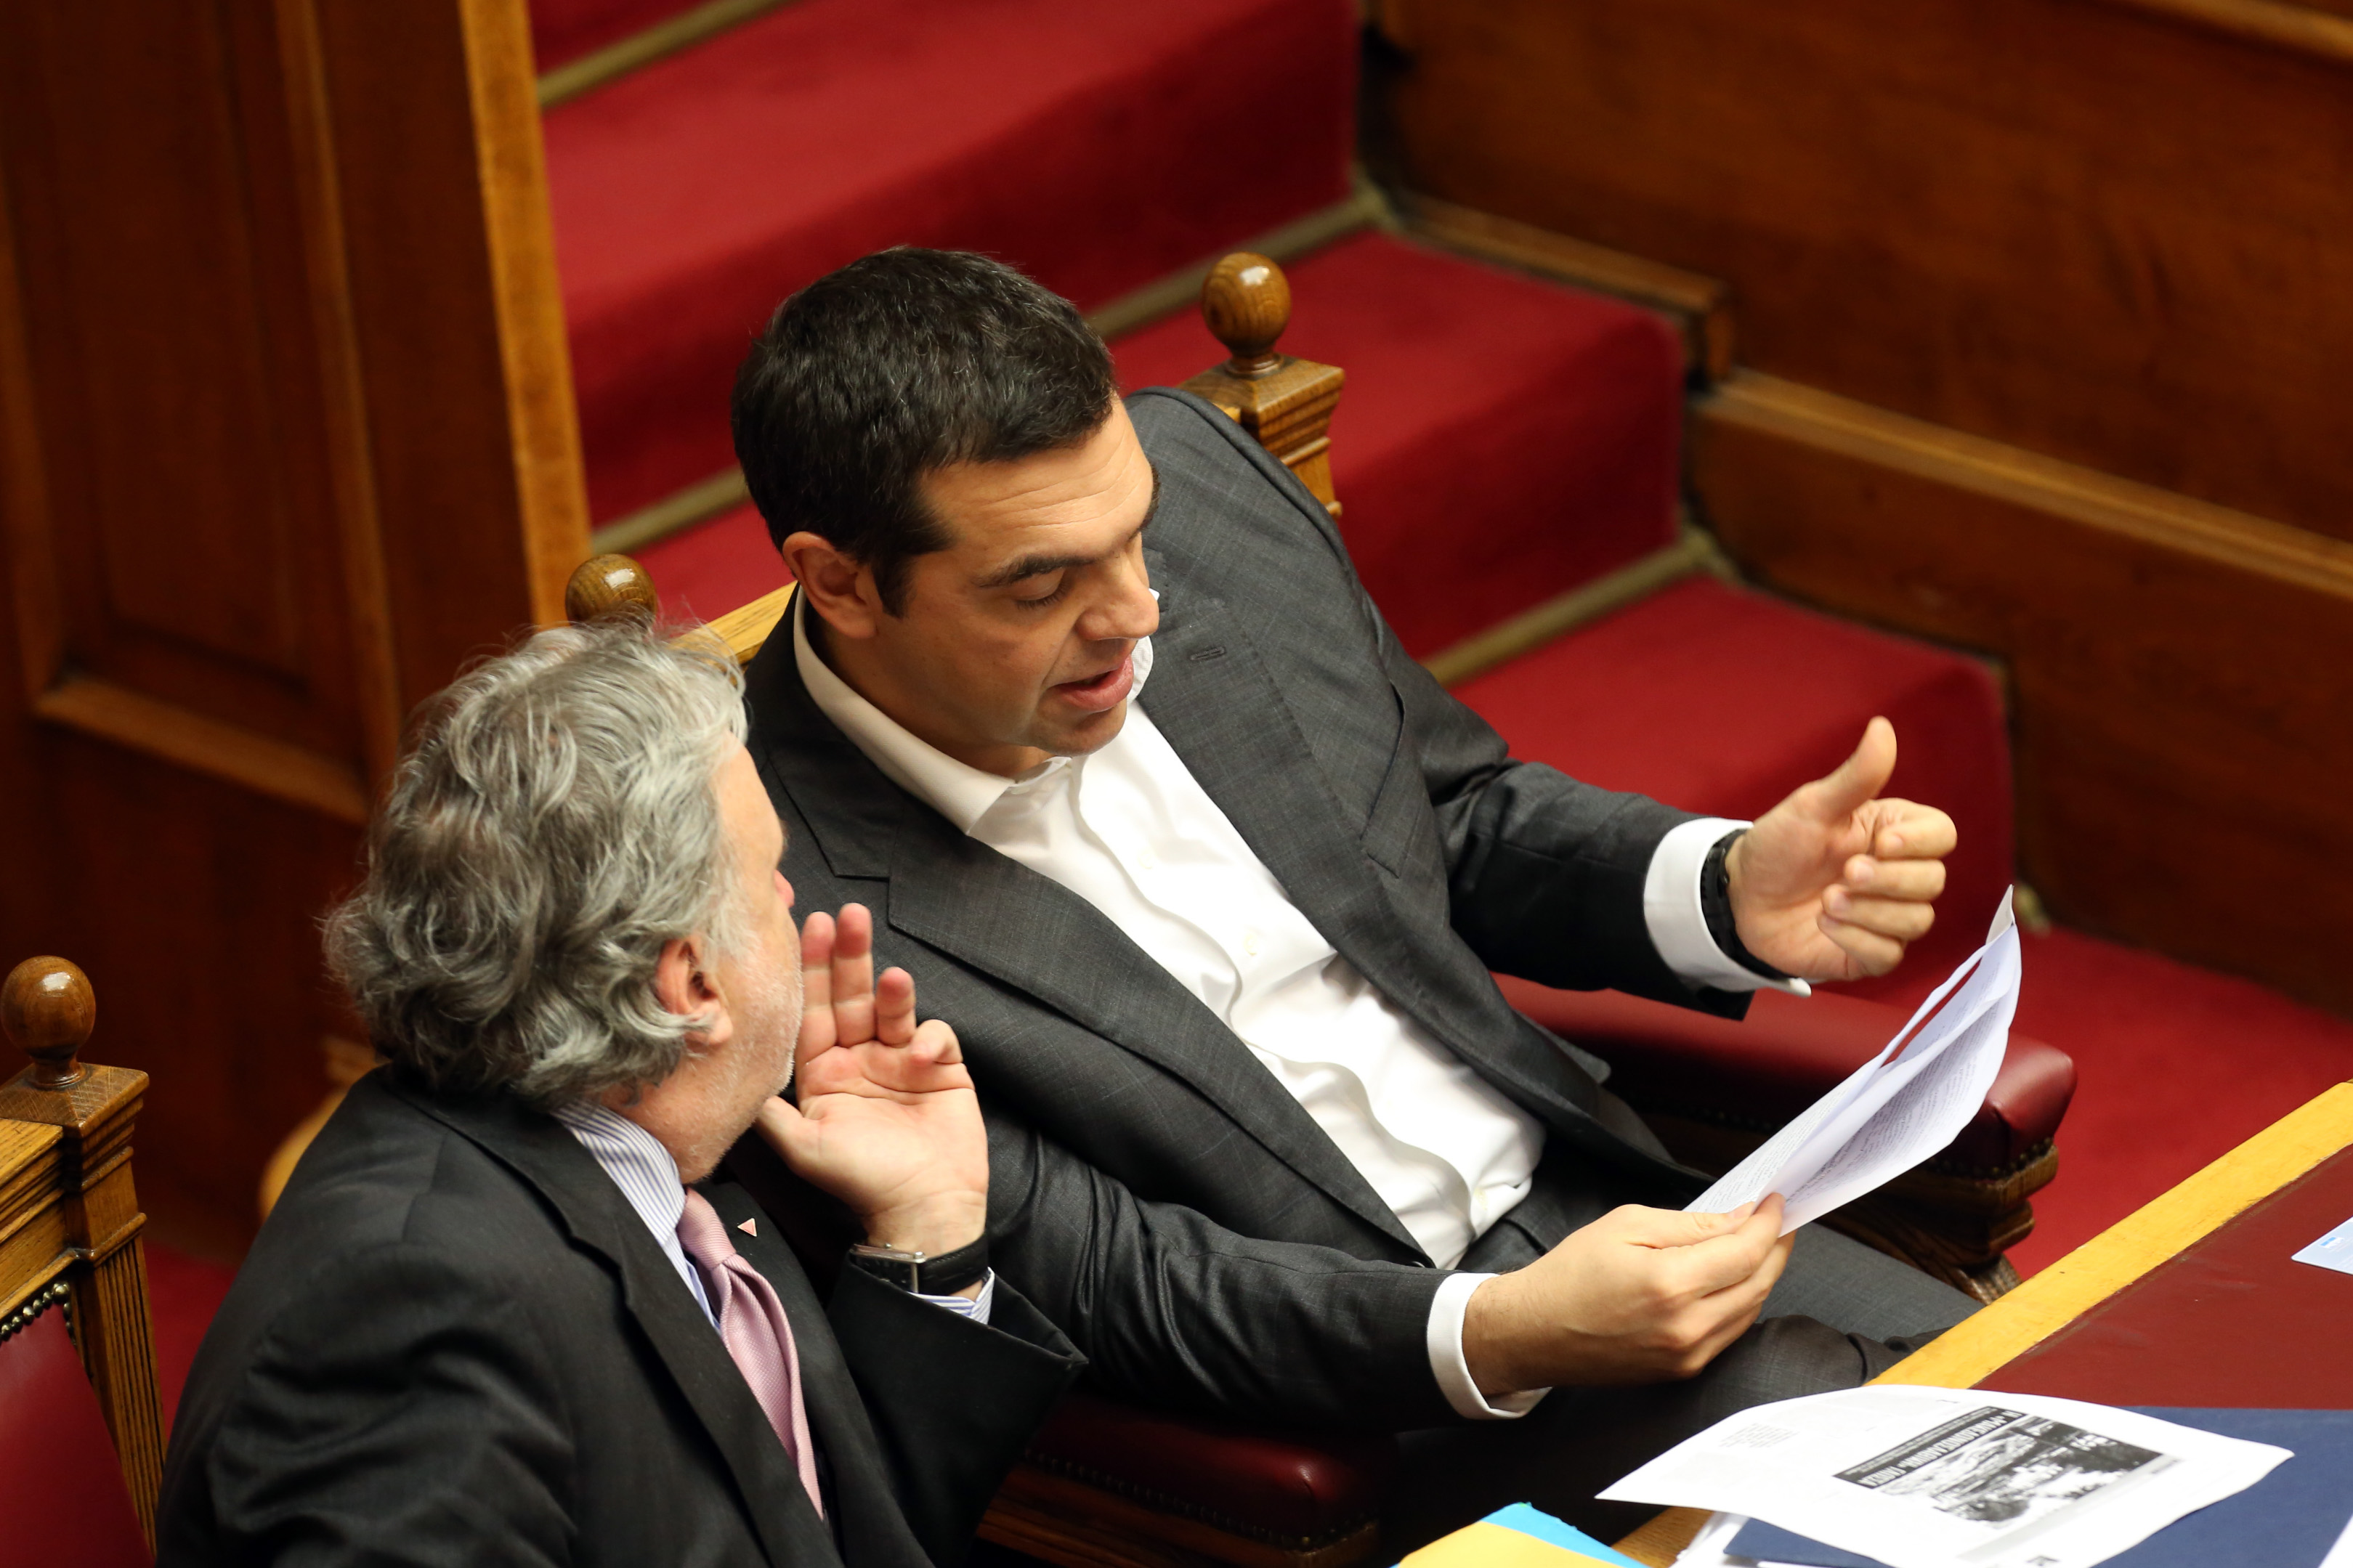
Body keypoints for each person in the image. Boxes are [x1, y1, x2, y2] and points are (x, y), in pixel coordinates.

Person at [729, 248, 1980, 1544]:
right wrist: (1501, 1332)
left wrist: (1720, 888)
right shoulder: (774, 893)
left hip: (1607, 1210)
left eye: (1134, 535)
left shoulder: (1204, 485)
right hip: (1367, 1408)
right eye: (1042, 585)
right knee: (1888, 1473)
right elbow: (1114, 1276)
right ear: (839, 582)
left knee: (2049, 1388)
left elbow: (1444, 809)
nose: (1138, 613)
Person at [156, 620, 1082, 1567]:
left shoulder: (663, 1165)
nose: (792, 901)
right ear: (692, 985)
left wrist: (926, 1227)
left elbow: (824, 1535)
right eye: (770, 878)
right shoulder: (406, 1324)